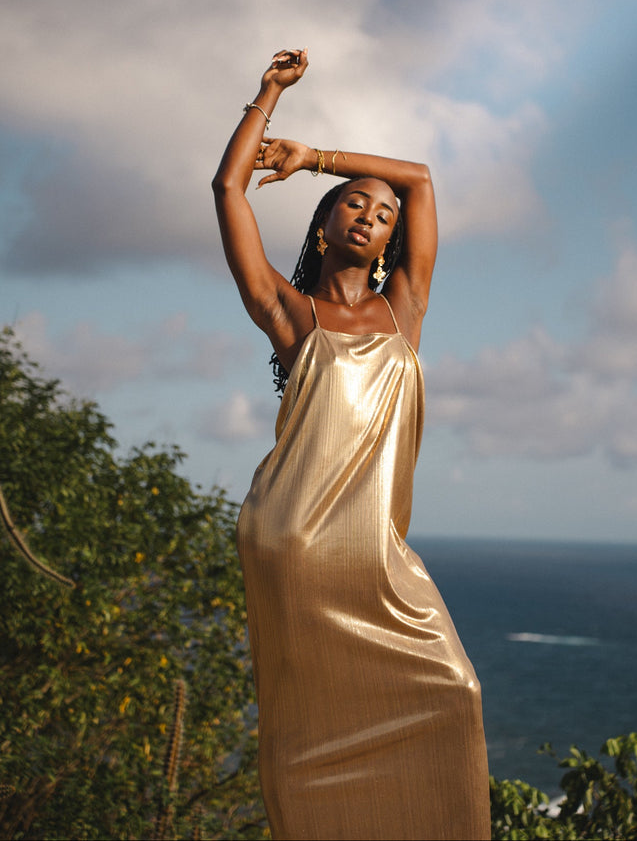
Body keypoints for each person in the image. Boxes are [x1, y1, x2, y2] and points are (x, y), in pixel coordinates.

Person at [212, 48, 490, 841]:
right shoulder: (290, 314)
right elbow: (227, 190)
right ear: (326, 222)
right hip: (297, 539)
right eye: (354, 204)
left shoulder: (405, 309)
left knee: (453, 690)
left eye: (382, 214)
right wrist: (267, 97)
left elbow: (422, 179)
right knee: (309, 731)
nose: (373, 214)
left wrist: (317, 156)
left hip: (377, 547)